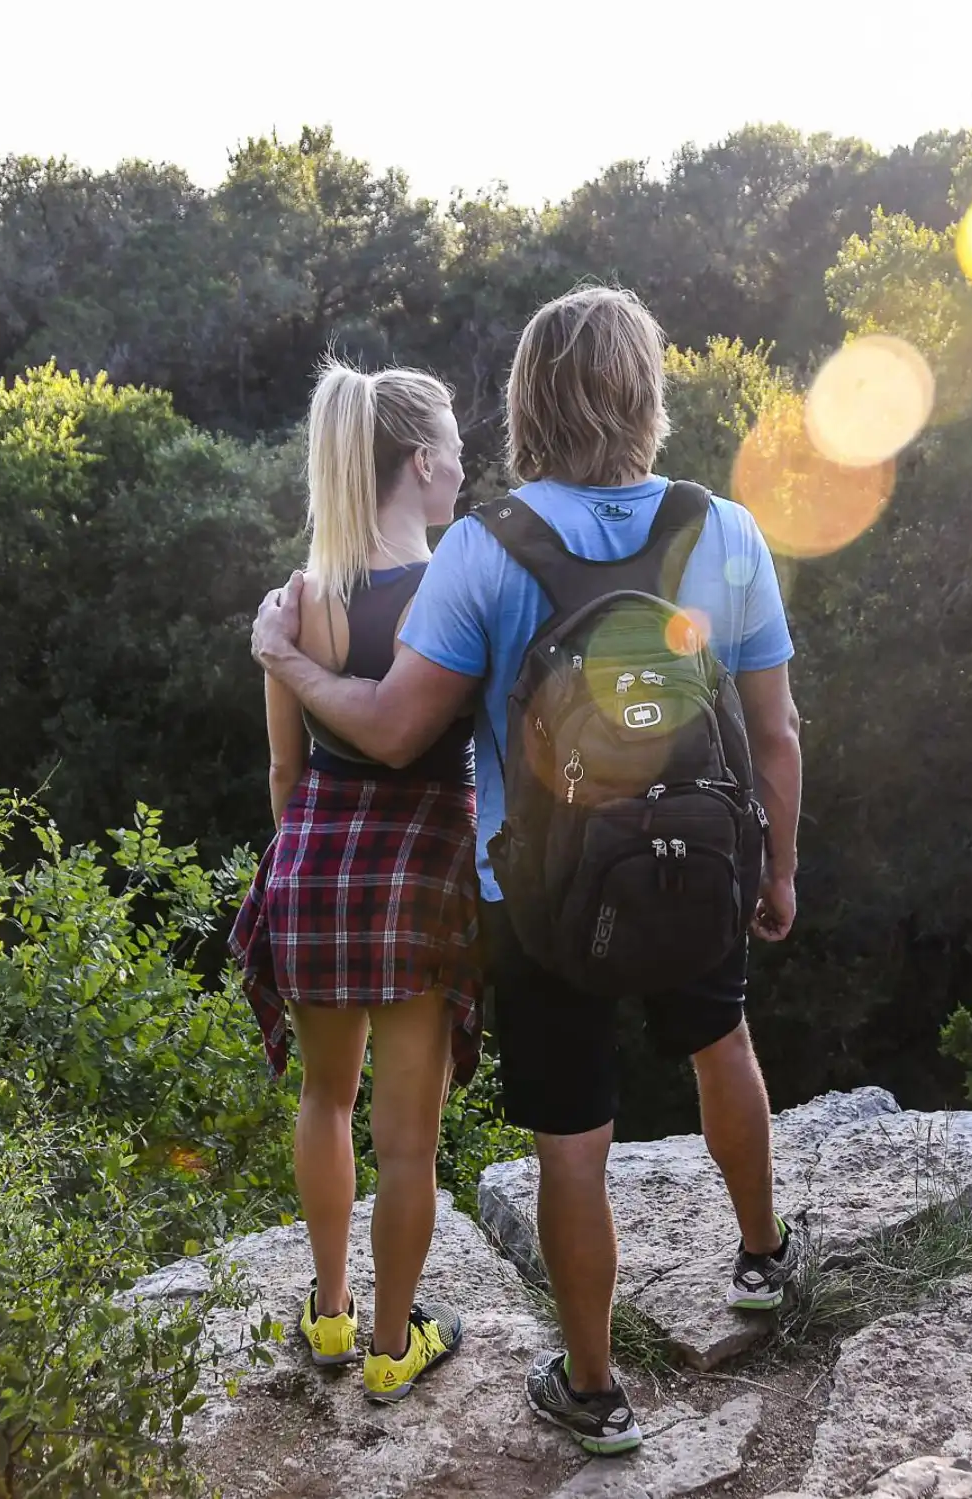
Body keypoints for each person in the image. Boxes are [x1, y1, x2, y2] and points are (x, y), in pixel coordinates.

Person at [251, 287, 805, 1455]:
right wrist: (779, 867)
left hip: (540, 895)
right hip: (699, 863)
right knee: (723, 1046)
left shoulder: (483, 548)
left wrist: (287, 663)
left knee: (572, 1139)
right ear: (646, 393)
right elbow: (776, 732)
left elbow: (395, 728)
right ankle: (761, 1258)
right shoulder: (724, 530)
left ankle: (593, 1387)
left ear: (523, 399)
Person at [229, 358, 478, 1404]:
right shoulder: (459, 584)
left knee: (325, 1099)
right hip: (418, 874)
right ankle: (389, 1346)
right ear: (420, 463)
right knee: (406, 1139)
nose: (465, 469)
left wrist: (305, 855)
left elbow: (286, 770)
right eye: (457, 448)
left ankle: (326, 1314)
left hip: (314, 866)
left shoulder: (300, 597)